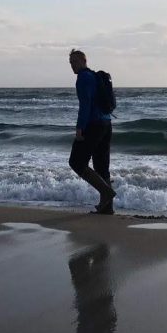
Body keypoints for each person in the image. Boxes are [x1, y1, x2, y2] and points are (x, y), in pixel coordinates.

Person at [68, 49, 115, 214]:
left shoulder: (83, 78)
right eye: (70, 63)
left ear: (83, 61)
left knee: (76, 162)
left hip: (93, 125)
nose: (72, 66)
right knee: (102, 166)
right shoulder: (95, 77)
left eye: (74, 62)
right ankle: (107, 207)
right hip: (106, 123)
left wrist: (80, 128)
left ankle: (106, 192)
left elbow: (85, 105)